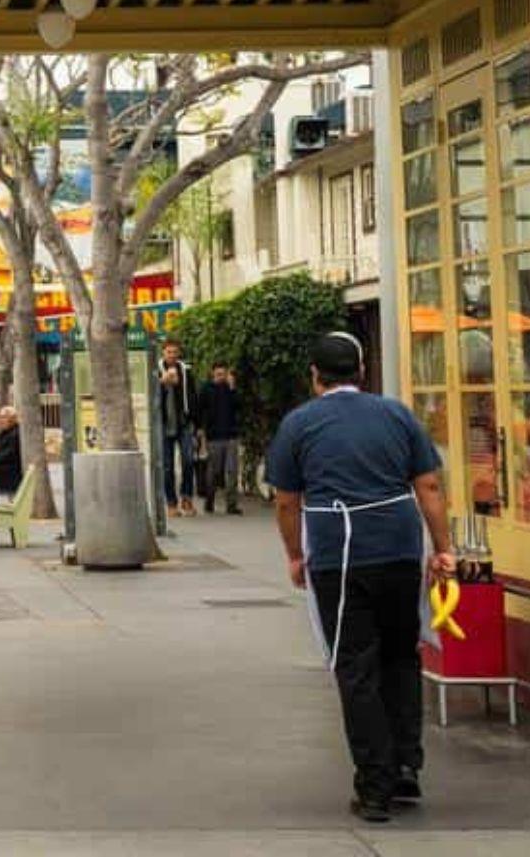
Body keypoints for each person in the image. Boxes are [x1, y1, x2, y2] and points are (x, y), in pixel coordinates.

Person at [267, 331, 454, 824]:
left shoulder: (299, 424)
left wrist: (293, 555)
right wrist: (444, 548)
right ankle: (407, 766)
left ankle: (375, 786)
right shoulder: (396, 414)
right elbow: (429, 484)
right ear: (361, 371)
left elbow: (286, 500)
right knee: (400, 656)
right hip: (398, 547)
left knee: (357, 667)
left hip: (340, 556)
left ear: (315, 376)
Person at [195, 363, 243, 515]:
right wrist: (200, 430)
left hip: (231, 435)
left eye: (224, 374)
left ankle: (231, 504)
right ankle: (209, 501)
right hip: (213, 436)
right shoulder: (206, 389)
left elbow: (238, 406)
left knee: (232, 471)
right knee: (213, 472)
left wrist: (232, 387)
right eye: (218, 374)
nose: (221, 377)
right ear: (213, 373)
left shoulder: (230, 389)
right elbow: (199, 410)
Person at [158, 340, 198, 516]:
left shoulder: (186, 371)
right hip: (165, 424)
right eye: (169, 352)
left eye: (175, 352)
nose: (172, 355)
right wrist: (162, 382)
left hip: (184, 423)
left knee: (188, 461)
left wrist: (196, 423)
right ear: (163, 353)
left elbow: (193, 397)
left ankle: (187, 498)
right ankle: (171, 503)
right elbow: (150, 394)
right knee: (167, 466)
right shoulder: (156, 370)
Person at [0, 404, 24, 496]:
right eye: (0, 417)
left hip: (8, 476)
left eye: (4, 417)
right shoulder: (7, 431)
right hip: (1, 472)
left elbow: (9, 453)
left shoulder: (16, 433)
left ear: (12, 419)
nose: (1, 420)